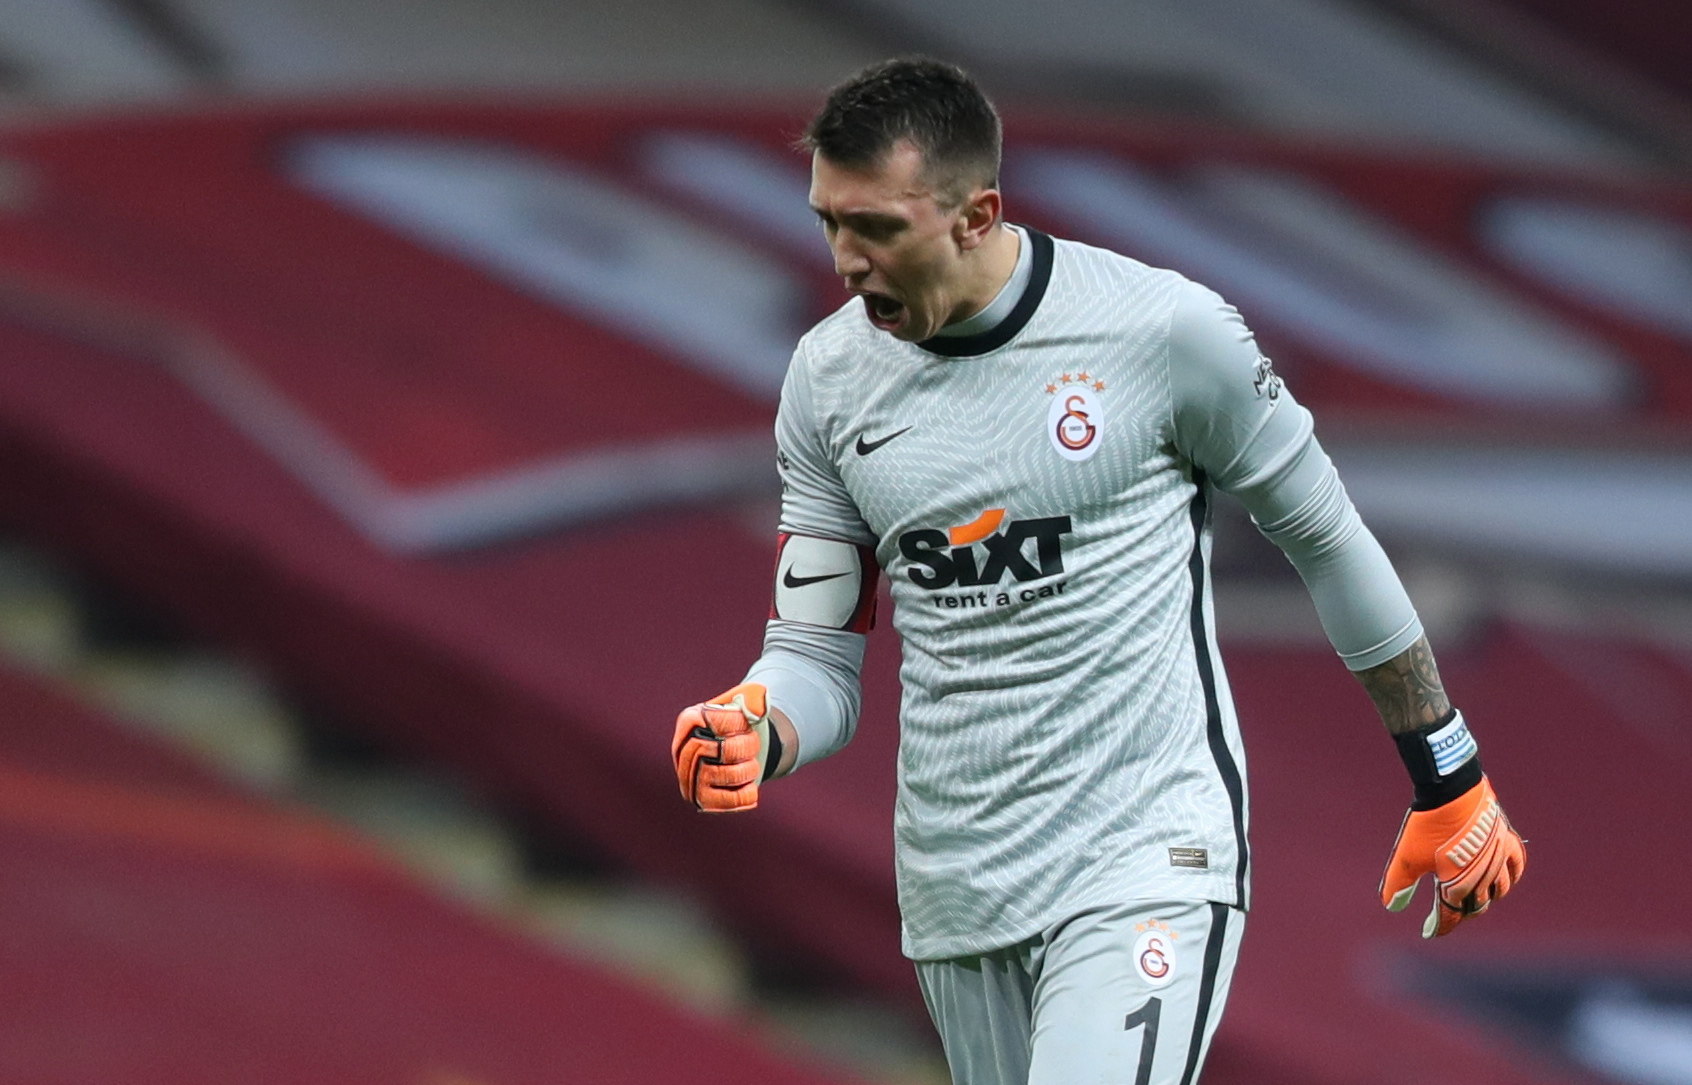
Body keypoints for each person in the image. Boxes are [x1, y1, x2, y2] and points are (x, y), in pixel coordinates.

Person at [671, 56, 1526, 1085]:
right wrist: (759, 722)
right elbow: (816, 651)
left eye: (880, 229)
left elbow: (1328, 538)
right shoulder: (828, 382)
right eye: (830, 223)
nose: (848, 260)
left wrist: (1451, 774)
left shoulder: (1161, 333)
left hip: (1143, 856)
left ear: (977, 213)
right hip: (959, 889)